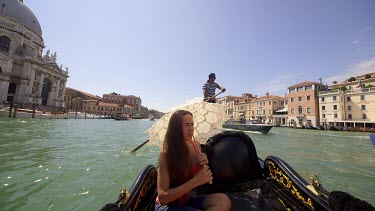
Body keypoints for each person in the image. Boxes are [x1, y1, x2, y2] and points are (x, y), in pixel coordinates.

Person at [155, 110, 231, 211]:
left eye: (192, 124)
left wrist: (205, 162)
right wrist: (196, 181)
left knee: (223, 200)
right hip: (168, 205)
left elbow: (199, 175)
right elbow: (163, 198)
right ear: (176, 128)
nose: (191, 129)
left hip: (186, 199)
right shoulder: (166, 154)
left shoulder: (196, 145)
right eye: (186, 125)